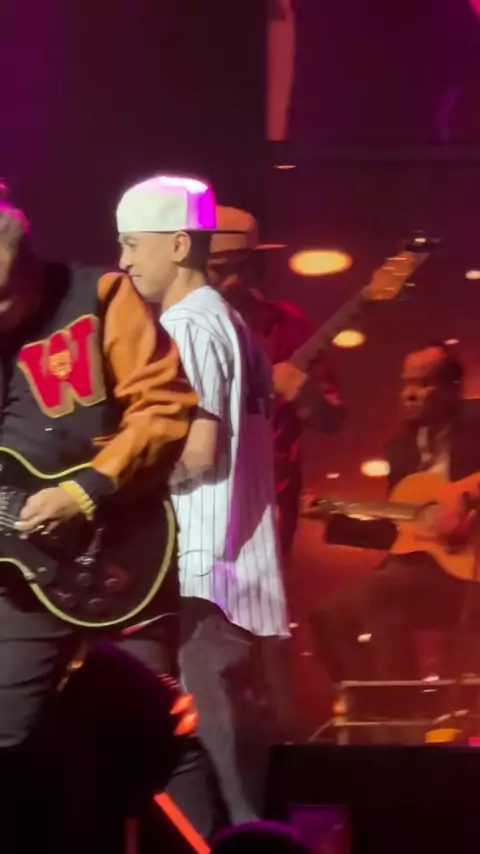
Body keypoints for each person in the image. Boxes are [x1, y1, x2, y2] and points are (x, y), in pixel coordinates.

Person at [0, 183, 197, 849]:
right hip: (14, 578)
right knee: (12, 740)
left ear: (31, 265)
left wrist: (85, 491)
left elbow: (164, 408)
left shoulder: (101, 296)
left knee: (149, 731)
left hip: (116, 553)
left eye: (5, 297)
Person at [116, 175, 290, 835]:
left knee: (209, 760)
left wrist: (110, 481)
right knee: (227, 757)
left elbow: (196, 450)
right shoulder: (233, 322)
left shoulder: (185, 327)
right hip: (235, 567)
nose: (124, 262)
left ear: (178, 244)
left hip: (200, 568)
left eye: (133, 244)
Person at [310, 342, 480, 688]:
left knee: (378, 593)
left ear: (452, 388)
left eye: (423, 383)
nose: (410, 394)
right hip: (417, 576)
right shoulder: (400, 451)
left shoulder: (476, 421)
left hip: (470, 573)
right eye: (406, 383)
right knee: (327, 617)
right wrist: (335, 521)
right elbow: (398, 533)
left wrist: (467, 499)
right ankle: (377, 709)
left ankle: (403, 708)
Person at [209, 206, 345, 557]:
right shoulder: (174, 330)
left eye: (242, 267)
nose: (232, 280)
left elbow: (334, 419)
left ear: (258, 267)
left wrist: (306, 395)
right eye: (218, 269)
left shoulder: (288, 324)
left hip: (270, 502)